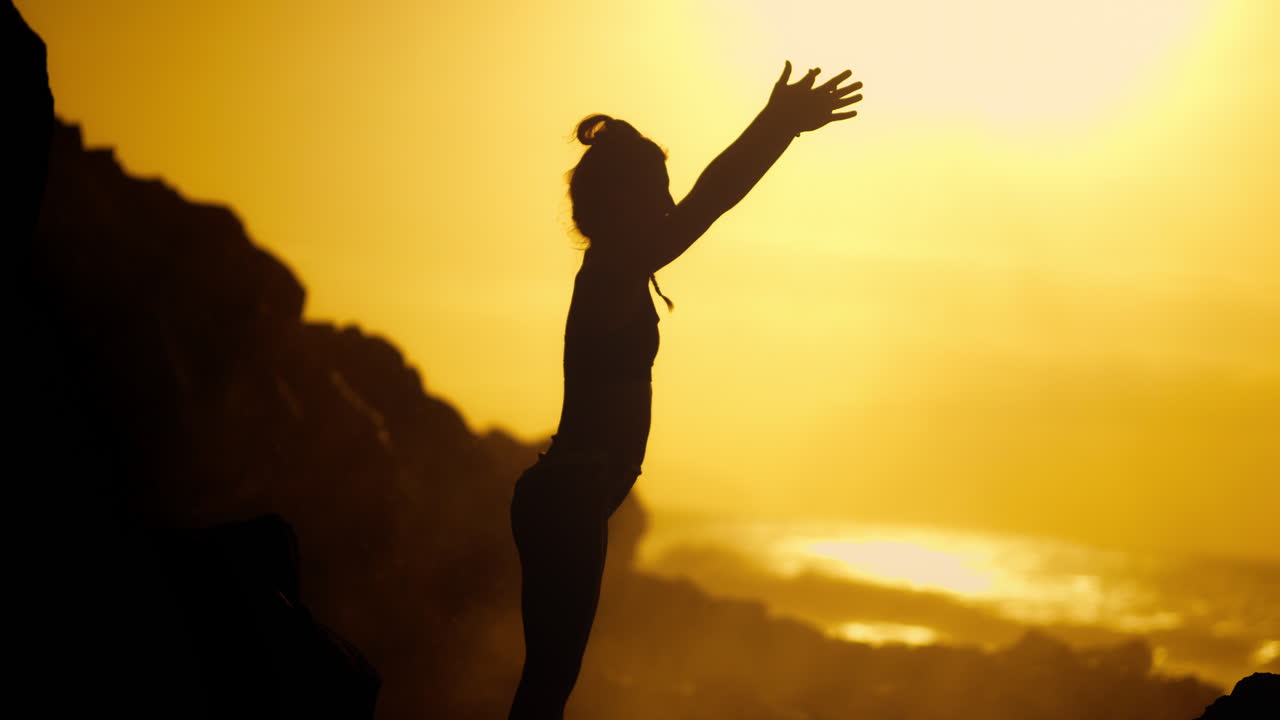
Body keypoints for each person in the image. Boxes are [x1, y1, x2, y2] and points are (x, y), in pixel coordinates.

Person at [508, 61, 863, 720]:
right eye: (656, 192)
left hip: (566, 499)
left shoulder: (614, 272)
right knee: (549, 684)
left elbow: (700, 202)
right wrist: (776, 126)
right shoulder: (613, 269)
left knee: (550, 680)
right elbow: (712, 197)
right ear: (620, 204)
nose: (669, 206)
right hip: (568, 499)